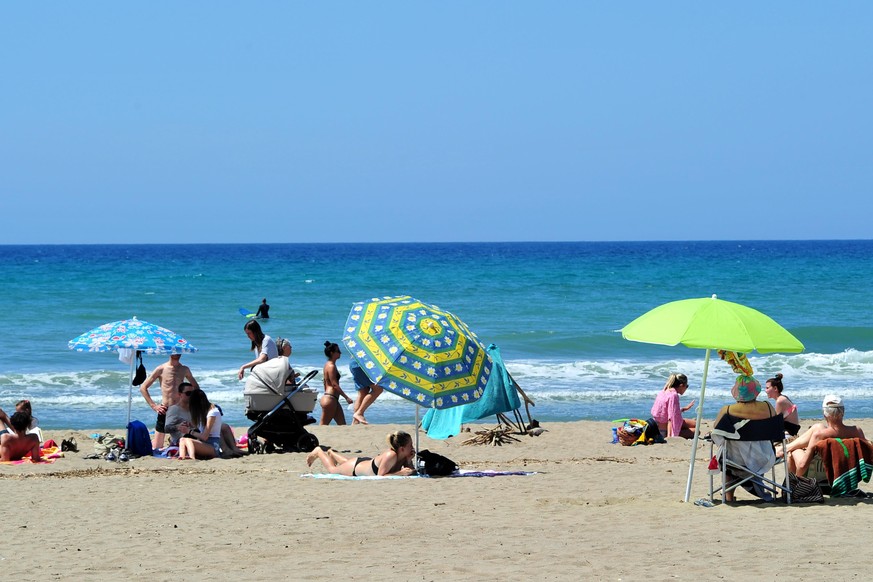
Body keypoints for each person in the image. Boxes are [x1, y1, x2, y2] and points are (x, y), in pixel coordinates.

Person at [712, 375, 777, 501]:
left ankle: (728, 496)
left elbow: (717, 431)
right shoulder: (768, 407)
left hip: (734, 460)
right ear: (756, 392)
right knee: (747, 449)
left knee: (727, 455)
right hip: (763, 456)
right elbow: (774, 429)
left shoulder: (728, 410)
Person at [779, 395, 866, 477]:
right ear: (843, 412)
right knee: (818, 426)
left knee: (793, 451)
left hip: (821, 473)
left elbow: (802, 466)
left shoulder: (820, 435)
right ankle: (786, 447)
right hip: (846, 473)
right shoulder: (857, 431)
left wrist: (798, 479)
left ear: (825, 414)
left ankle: (792, 483)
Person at [140, 354, 200, 449]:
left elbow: (196, 387)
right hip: (165, 409)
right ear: (170, 352)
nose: (176, 353)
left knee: (183, 443)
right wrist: (154, 406)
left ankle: (172, 442)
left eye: (178, 351)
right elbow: (143, 387)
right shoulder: (161, 369)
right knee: (157, 446)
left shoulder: (184, 369)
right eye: (174, 351)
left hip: (179, 410)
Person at [305, 430, 416, 476]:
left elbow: (409, 471)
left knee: (345, 462)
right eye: (410, 445)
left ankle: (332, 453)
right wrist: (400, 473)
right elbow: (380, 476)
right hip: (355, 468)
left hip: (364, 464)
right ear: (401, 448)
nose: (412, 447)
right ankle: (319, 452)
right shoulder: (391, 455)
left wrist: (409, 461)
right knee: (333, 470)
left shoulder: (402, 456)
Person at [177, 389, 223, 460]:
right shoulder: (204, 412)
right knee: (182, 439)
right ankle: (182, 457)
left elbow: (205, 437)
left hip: (213, 446)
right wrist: (189, 425)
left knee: (188, 440)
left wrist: (189, 431)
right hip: (204, 444)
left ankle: (192, 457)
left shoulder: (212, 413)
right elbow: (200, 428)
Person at [650, 373, 696, 439]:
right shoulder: (673, 395)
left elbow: (667, 411)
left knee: (695, 424)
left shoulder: (663, 391)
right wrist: (670, 436)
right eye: (687, 386)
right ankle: (669, 434)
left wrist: (683, 409)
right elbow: (671, 418)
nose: (686, 388)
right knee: (696, 431)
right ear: (681, 385)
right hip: (664, 429)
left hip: (657, 424)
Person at [320, 341, 353, 425]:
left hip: (331, 399)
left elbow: (325, 382)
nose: (340, 353)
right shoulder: (331, 366)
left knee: (342, 425)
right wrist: (346, 397)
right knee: (323, 426)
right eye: (338, 351)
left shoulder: (327, 365)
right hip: (330, 399)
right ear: (332, 353)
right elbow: (334, 385)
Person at [349, 359, 383, 425]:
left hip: (354, 363)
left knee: (363, 392)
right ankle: (359, 413)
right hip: (362, 364)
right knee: (378, 389)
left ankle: (355, 421)